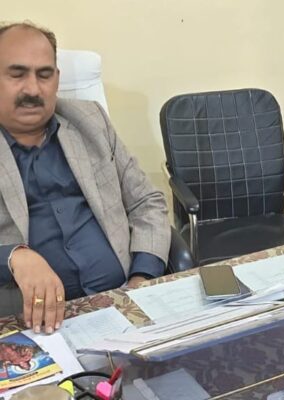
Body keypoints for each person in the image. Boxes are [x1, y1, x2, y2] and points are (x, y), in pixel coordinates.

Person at [0, 22, 170, 334]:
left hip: (123, 301)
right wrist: (12, 256)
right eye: (17, 74)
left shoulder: (90, 121)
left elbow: (147, 202)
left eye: (44, 74)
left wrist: (142, 277)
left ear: (57, 79)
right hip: (29, 325)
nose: (33, 90)